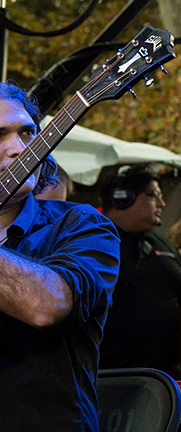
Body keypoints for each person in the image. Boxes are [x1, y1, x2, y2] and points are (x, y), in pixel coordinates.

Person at [0, 82, 120, 429]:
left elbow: (45, 305)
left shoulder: (80, 224)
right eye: (0, 135)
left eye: (27, 133)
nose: (18, 148)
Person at [98, 164, 181, 376]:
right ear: (123, 197)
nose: (162, 203)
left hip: (159, 378)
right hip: (105, 377)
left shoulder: (164, 245)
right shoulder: (92, 243)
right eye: (153, 195)